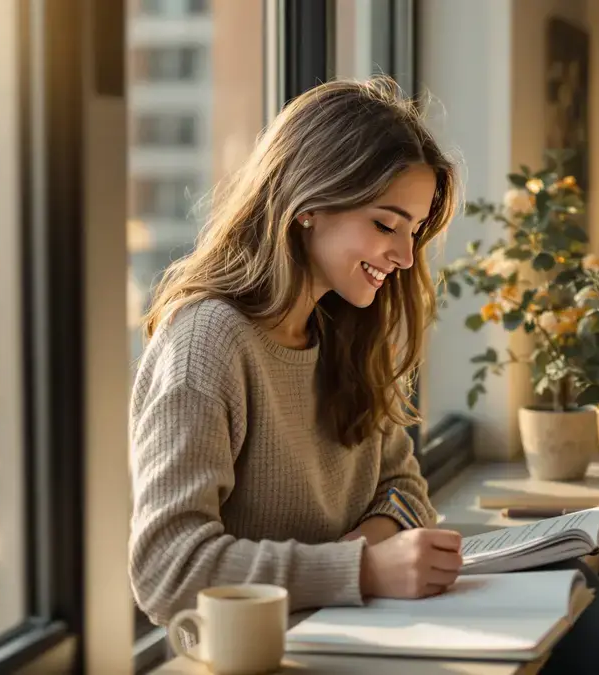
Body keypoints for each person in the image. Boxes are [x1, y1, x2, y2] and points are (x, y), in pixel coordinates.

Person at [127, 77, 465, 631]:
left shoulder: (346, 332)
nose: (405, 256)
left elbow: (406, 494)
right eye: (385, 224)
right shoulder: (206, 343)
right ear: (309, 204)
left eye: (414, 231)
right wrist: (361, 570)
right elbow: (169, 569)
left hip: (347, 635)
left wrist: (356, 563)